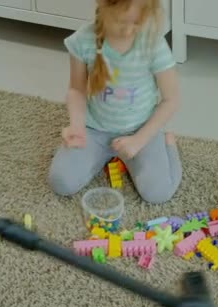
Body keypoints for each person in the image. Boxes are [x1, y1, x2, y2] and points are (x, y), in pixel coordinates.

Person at [48, 0, 182, 204]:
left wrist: (139, 141)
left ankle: (168, 144)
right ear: (102, 7)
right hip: (95, 129)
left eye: (137, 23)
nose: (128, 31)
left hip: (140, 130)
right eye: (120, 22)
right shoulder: (83, 41)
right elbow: (76, 90)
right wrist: (76, 126)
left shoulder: (153, 44)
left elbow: (171, 100)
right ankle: (105, 154)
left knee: (158, 193)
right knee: (60, 182)